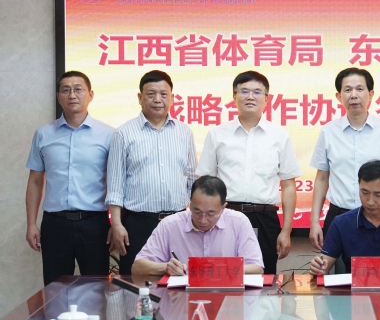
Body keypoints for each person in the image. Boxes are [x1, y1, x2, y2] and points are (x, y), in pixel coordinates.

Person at [196, 71, 301, 274]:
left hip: (264, 218)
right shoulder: (217, 134)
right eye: (244, 91)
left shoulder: (279, 136)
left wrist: (286, 231)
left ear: (267, 98)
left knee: (263, 278)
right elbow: (205, 183)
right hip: (225, 216)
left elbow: (288, 186)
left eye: (257, 92)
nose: (250, 97)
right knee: (221, 275)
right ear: (234, 96)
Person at [25, 71, 114, 285]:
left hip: (95, 224)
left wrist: (116, 223)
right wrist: (31, 224)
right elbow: (35, 181)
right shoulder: (44, 134)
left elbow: (117, 183)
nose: (72, 95)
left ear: (90, 95)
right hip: (55, 224)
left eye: (78, 89)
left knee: (96, 288)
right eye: (66, 90)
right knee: (55, 289)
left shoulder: (109, 135)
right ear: (59, 97)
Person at [309, 68, 380, 256]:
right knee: (337, 272)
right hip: (340, 216)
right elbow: (322, 178)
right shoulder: (328, 131)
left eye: (359, 89)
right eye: (347, 90)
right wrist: (314, 221)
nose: (353, 95)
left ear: (371, 94)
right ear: (339, 96)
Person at [107, 70, 197, 275]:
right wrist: (117, 224)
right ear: (140, 98)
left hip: (177, 221)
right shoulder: (123, 134)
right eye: (151, 94)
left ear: (172, 98)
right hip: (138, 224)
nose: (158, 99)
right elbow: (115, 185)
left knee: (178, 280)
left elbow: (192, 179)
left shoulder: (184, 132)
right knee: (135, 281)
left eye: (164, 94)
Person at [132, 175, 263, 275]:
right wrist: (165, 267)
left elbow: (257, 268)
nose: (203, 220)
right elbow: (137, 267)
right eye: (197, 211)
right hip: (181, 299)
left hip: (227, 299)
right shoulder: (170, 225)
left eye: (211, 214)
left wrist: (218, 269)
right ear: (190, 202)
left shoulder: (239, 222)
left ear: (223, 208)